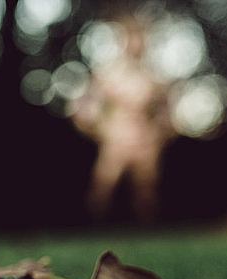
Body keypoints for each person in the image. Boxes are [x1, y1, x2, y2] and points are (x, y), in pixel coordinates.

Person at [69, 16, 176, 222]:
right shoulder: (109, 75)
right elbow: (84, 106)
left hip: (146, 142)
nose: (137, 45)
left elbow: (166, 113)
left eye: (141, 39)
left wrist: (160, 135)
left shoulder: (153, 78)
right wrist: (98, 129)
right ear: (124, 42)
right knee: (102, 188)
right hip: (116, 141)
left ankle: (146, 236)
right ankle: (93, 231)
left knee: (146, 191)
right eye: (132, 39)